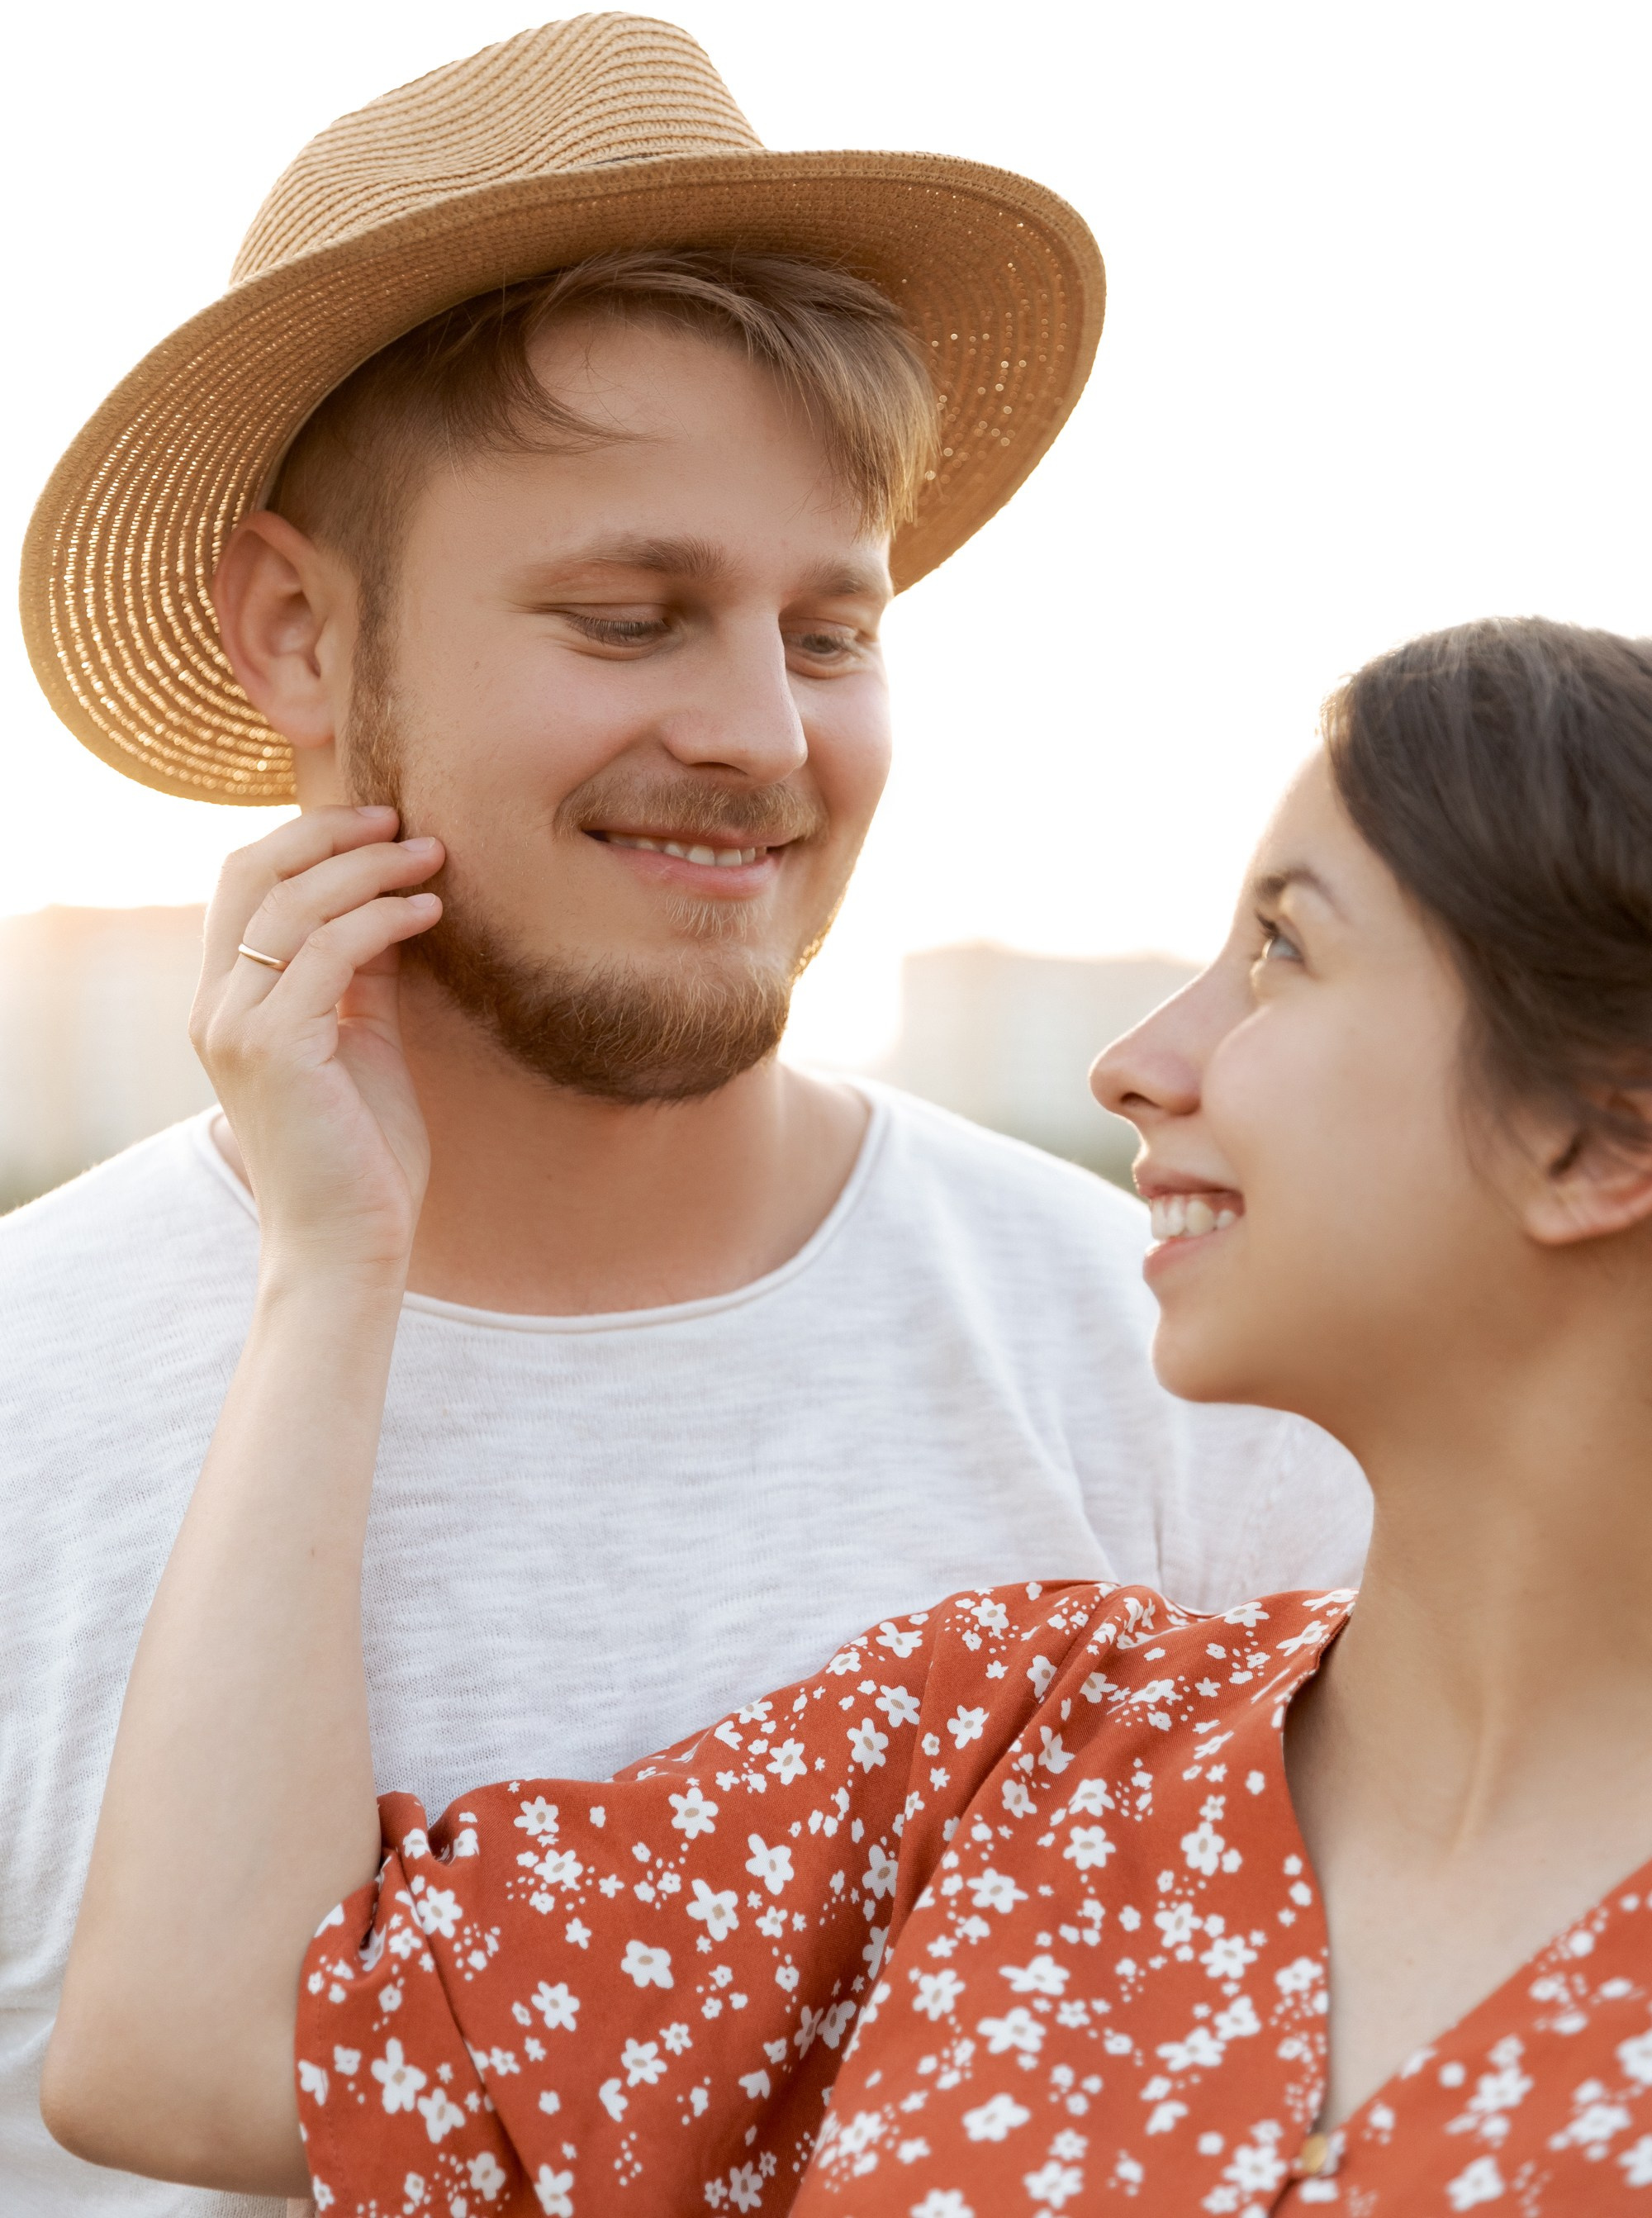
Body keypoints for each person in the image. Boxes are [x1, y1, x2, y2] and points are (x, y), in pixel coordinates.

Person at [2, 15, 1367, 2214]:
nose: (759, 735)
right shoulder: (27, 1398)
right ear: (294, 633)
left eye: (832, 636)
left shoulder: (1194, 1384)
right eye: (630, 617)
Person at [44, 615, 1652, 2214]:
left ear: (1598, 1137)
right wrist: (333, 1265)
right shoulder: (1011, 1750)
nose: (1139, 1063)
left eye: (1283, 953)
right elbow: (215, 2058)